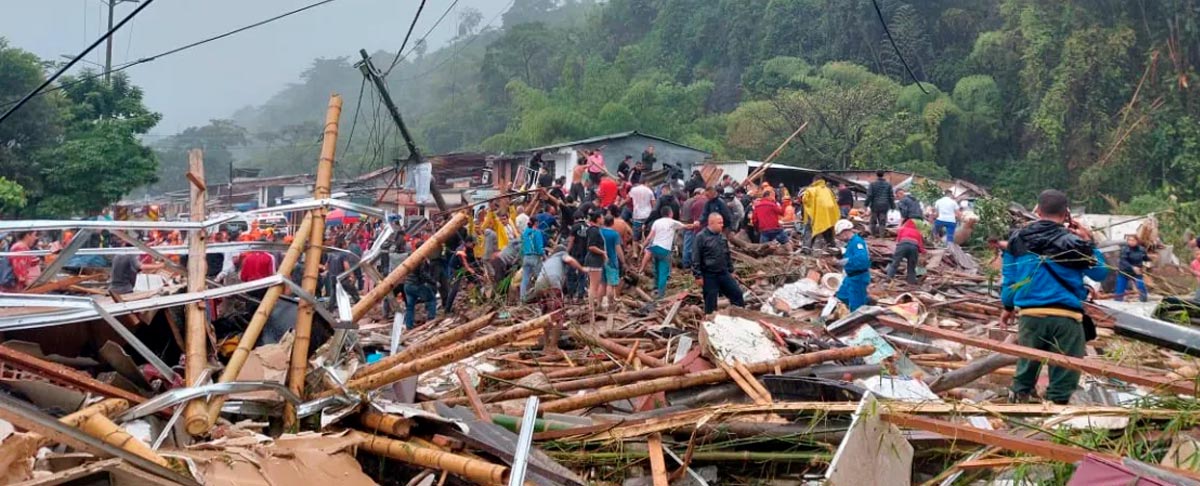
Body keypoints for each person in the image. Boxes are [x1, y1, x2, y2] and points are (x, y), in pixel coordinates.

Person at [1000, 189, 1108, 405]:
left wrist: (1008, 306)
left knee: (1027, 366)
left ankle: (1018, 406)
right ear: (1066, 213)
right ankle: (1055, 413)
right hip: (1067, 318)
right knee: (1064, 373)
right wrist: (1089, 242)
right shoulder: (1074, 242)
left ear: (1038, 211)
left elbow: (1010, 278)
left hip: (1031, 315)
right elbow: (1100, 273)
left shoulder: (1018, 239)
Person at [529, 245, 585, 351]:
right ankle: (553, 346)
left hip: (539, 284)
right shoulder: (562, 255)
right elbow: (569, 259)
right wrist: (582, 269)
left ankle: (546, 345)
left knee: (546, 317)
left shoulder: (549, 261)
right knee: (558, 316)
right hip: (552, 282)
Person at [692, 213, 745, 314]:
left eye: (722, 223)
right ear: (711, 223)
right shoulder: (701, 237)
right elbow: (695, 257)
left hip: (723, 272)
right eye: (719, 223)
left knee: (737, 294)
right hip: (709, 274)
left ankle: (739, 316)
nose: (722, 225)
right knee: (710, 302)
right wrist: (697, 275)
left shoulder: (721, 236)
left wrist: (731, 270)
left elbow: (727, 254)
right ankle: (710, 321)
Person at [639, 207, 696, 299]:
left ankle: (655, 288)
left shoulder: (656, 222)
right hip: (664, 249)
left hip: (655, 248)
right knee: (663, 271)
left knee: (656, 269)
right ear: (670, 213)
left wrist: (643, 246)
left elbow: (649, 237)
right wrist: (695, 224)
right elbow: (687, 226)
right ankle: (661, 294)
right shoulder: (672, 222)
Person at [834, 219, 871, 311]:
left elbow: (862, 260)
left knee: (856, 306)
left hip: (858, 277)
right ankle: (866, 301)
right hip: (850, 276)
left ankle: (860, 314)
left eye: (840, 235)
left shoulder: (857, 242)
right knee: (842, 295)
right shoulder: (850, 243)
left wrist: (843, 262)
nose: (840, 238)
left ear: (845, 231)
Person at [802, 179, 839, 249]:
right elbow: (834, 202)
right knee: (827, 228)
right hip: (828, 214)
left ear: (814, 181)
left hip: (815, 213)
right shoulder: (828, 190)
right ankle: (831, 245)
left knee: (810, 229)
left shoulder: (811, 190)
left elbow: (805, 199)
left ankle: (806, 247)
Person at [446, 237, 481, 312]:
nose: (474, 245)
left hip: (463, 268)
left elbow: (472, 259)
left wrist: (479, 269)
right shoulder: (461, 250)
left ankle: (477, 300)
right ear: (468, 243)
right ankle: (447, 309)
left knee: (476, 281)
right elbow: (465, 264)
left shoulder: (470, 248)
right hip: (455, 269)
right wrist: (473, 272)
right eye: (473, 243)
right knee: (454, 289)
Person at [887, 218, 925, 285]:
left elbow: (898, 240)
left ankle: (889, 278)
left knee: (895, 263)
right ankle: (911, 282)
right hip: (914, 247)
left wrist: (897, 251)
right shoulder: (917, 232)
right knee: (911, 266)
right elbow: (920, 245)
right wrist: (923, 252)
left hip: (902, 245)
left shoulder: (902, 229)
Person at [403, 259, 438, 329]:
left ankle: (408, 325)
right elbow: (423, 274)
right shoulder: (420, 260)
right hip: (416, 284)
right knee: (431, 299)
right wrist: (434, 282)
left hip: (407, 285)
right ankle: (431, 319)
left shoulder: (411, 259)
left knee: (410, 307)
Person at [582, 210, 608, 305]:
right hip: (594, 260)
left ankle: (594, 305)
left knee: (594, 285)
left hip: (595, 260)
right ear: (597, 219)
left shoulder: (594, 230)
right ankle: (591, 307)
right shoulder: (594, 231)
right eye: (601, 217)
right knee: (593, 285)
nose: (603, 219)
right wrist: (603, 252)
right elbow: (591, 246)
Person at [1115, 234, 1150, 302]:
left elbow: (1145, 258)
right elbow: (1123, 261)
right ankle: (1117, 302)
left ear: (1137, 241)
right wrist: (1132, 267)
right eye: (1129, 240)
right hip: (1124, 271)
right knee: (1120, 290)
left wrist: (1148, 262)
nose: (1131, 242)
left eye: (1133, 240)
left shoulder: (1141, 249)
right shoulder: (1124, 249)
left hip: (1137, 272)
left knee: (1141, 286)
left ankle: (1144, 302)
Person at [520, 218, 546, 302]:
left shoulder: (524, 232)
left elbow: (522, 245)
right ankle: (542, 297)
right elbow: (539, 247)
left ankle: (522, 298)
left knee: (525, 279)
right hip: (535, 257)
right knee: (540, 277)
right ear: (536, 223)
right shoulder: (537, 232)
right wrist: (544, 256)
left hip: (526, 257)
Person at [601, 215, 625, 302]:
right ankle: (610, 303)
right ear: (612, 223)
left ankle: (601, 303)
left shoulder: (600, 232)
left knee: (602, 283)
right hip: (611, 260)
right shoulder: (615, 234)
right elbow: (618, 249)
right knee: (610, 284)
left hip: (600, 260)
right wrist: (623, 260)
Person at [865, 171, 895, 237]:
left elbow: (869, 195)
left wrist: (866, 204)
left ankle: (873, 235)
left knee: (873, 221)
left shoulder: (872, 184)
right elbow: (891, 196)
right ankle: (881, 236)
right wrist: (893, 206)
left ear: (877, 175)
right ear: (883, 175)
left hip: (875, 205)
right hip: (884, 206)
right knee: (882, 221)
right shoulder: (888, 185)